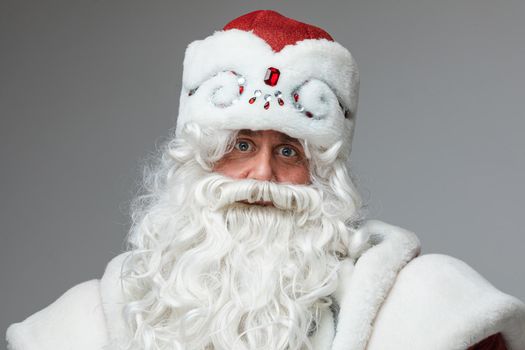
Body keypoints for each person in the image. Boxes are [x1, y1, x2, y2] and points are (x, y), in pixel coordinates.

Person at [6, 9, 525, 350]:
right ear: (199, 158)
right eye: (241, 145)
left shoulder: (427, 309)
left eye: (288, 151)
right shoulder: (86, 324)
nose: (262, 174)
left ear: (323, 175)